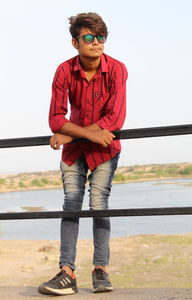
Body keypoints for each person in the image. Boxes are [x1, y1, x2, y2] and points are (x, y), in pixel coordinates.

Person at [38, 12, 128, 296]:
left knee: (99, 204)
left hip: (105, 149)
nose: (96, 43)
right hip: (75, 151)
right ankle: (67, 273)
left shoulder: (117, 69)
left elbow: (114, 119)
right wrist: (82, 134)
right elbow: (55, 118)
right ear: (75, 42)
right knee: (71, 205)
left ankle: (100, 270)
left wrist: (70, 132)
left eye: (101, 37)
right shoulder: (64, 71)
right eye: (88, 37)